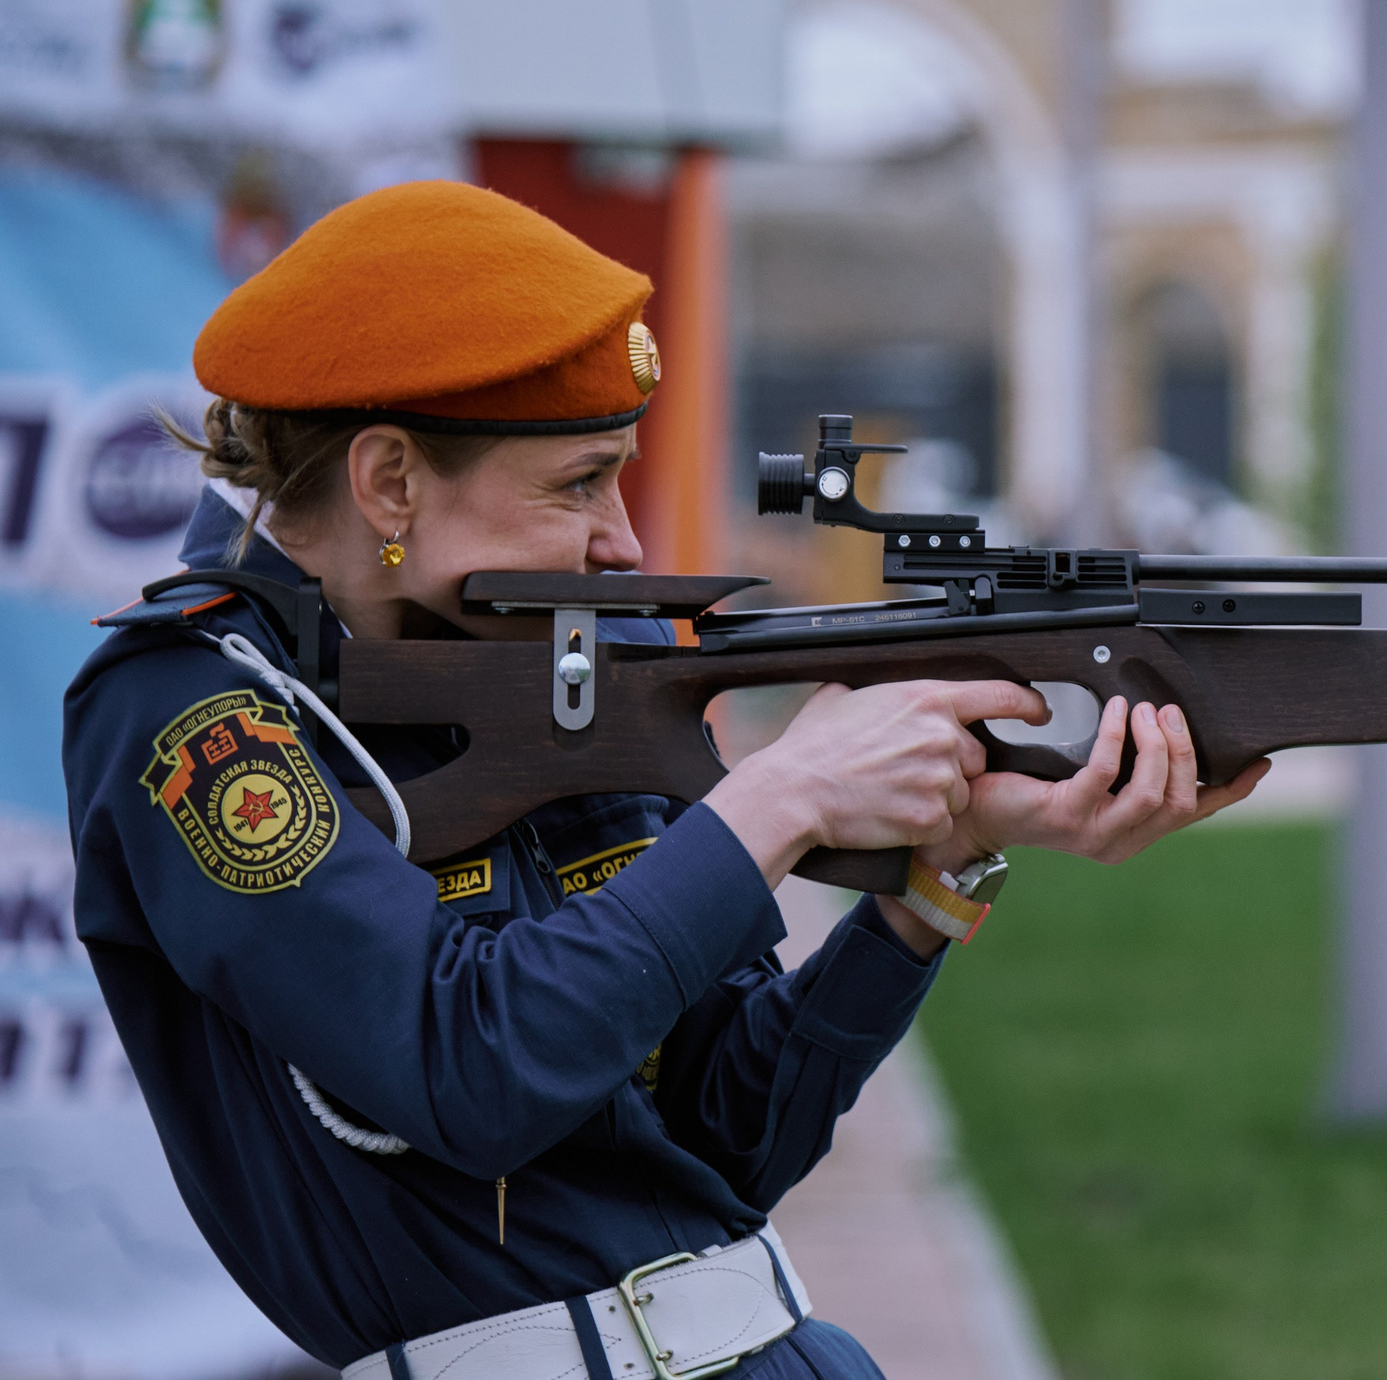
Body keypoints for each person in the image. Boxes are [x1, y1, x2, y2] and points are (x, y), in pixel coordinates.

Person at [63, 180, 1269, 1380]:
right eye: (577, 483)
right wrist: (781, 799)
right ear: (389, 482)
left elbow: (729, 1141)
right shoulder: (198, 711)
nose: (624, 543)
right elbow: (466, 1069)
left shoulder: (581, 658)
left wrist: (930, 877)